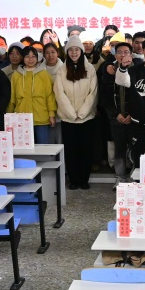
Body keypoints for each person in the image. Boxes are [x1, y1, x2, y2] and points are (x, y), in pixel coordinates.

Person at [54, 37, 98, 189]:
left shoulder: (90, 68)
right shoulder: (61, 70)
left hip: (87, 118)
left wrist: (83, 112)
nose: (74, 53)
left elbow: (93, 93)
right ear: (67, 52)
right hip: (68, 119)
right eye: (71, 50)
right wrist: (72, 114)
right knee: (71, 150)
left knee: (86, 150)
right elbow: (59, 93)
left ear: (81, 51)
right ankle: (73, 180)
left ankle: (84, 179)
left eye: (76, 49)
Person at [100, 40, 138, 181]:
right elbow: (104, 98)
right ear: (115, 55)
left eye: (126, 52)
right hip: (116, 118)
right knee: (119, 150)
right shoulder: (108, 72)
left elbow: (140, 97)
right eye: (120, 52)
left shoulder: (138, 71)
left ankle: (135, 179)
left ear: (131, 55)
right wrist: (116, 115)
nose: (123, 55)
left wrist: (132, 114)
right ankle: (120, 178)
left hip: (134, 118)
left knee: (135, 150)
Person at [9, 46, 57, 143]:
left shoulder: (44, 74)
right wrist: (9, 116)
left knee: (43, 146)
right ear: (23, 58)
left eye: (33, 56)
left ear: (37, 58)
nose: (30, 59)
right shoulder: (16, 75)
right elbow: (12, 97)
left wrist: (51, 115)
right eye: (27, 56)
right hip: (21, 118)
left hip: (41, 117)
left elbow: (49, 95)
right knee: (24, 148)